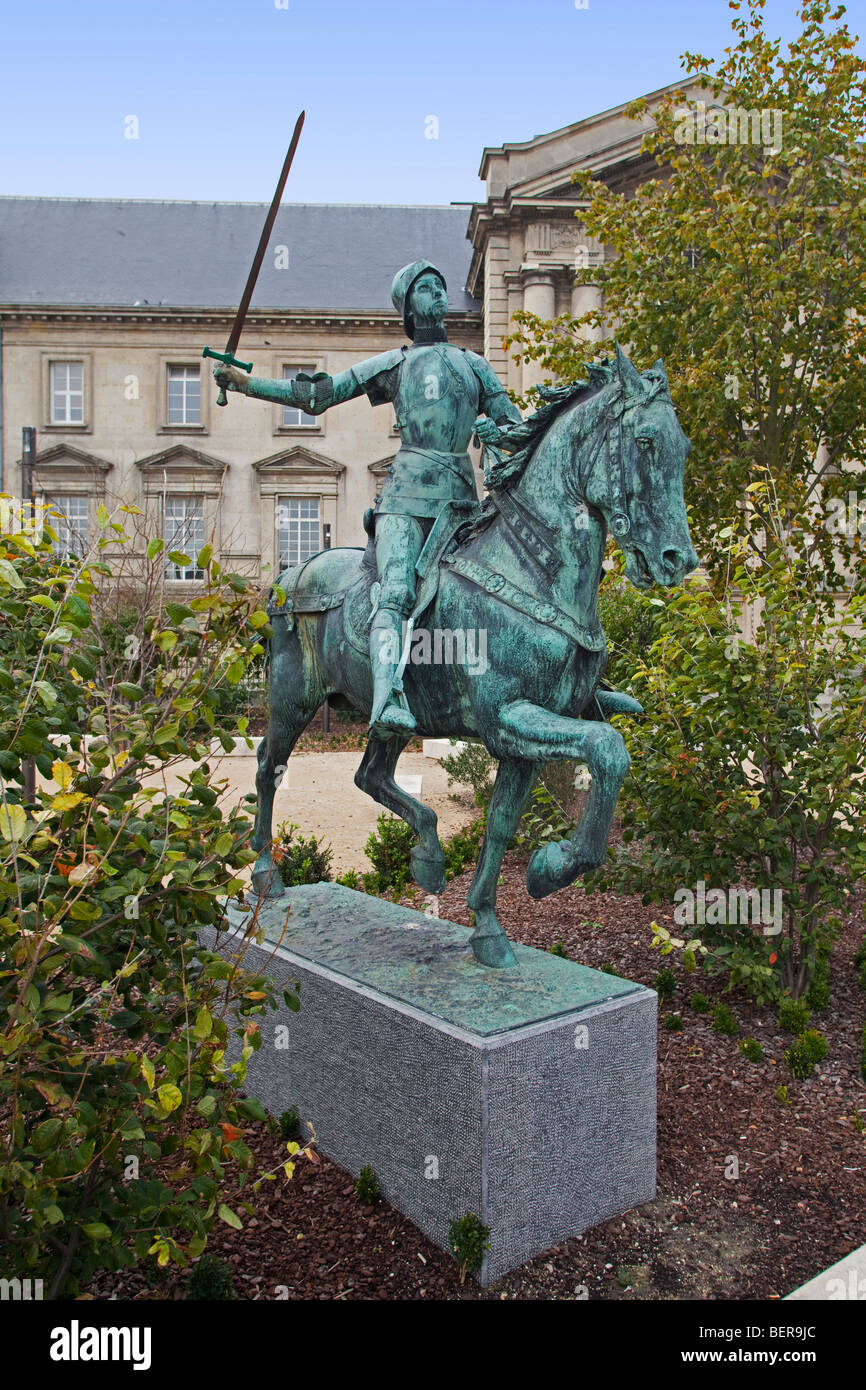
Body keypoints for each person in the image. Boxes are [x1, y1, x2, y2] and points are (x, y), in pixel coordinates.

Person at [214, 259, 522, 734]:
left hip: (463, 503)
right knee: (396, 592)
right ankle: (387, 701)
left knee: (496, 593)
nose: (438, 294)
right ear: (407, 306)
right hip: (404, 500)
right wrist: (247, 384)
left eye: (440, 286)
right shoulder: (396, 363)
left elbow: (516, 430)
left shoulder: (475, 367)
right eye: (425, 288)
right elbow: (321, 394)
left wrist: (495, 431)